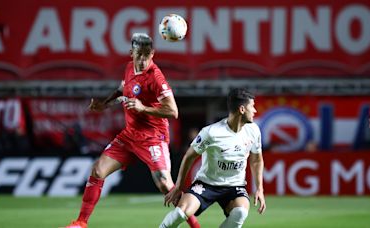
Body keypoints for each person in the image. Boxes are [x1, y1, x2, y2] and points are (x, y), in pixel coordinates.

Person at [64, 33, 199, 228]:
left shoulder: (155, 77)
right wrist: (104, 104)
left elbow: (173, 111)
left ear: (152, 54)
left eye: (147, 55)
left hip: (153, 137)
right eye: (139, 55)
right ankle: (81, 223)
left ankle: (196, 226)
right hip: (129, 136)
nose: (143, 59)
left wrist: (143, 108)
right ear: (131, 53)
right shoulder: (129, 68)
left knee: (165, 184)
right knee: (97, 170)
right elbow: (122, 88)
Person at [160, 88, 266, 228]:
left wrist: (259, 188)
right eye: (252, 106)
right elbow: (189, 156)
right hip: (206, 184)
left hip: (234, 186)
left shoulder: (253, 130)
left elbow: (257, 159)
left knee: (240, 212)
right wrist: (179, 186)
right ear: (242, 109)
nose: (255, 111)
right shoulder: (211, 133)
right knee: (180, 213)